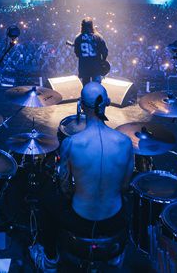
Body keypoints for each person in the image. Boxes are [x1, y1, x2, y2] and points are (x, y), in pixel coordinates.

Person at [30, 82, 134, 272]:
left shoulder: (71, 143)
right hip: (113, 219)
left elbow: (65, 188)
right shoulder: (125, 143)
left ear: (81, 106)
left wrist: (84, 192)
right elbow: (125, 186)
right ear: (107, 104)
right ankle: (116, 256)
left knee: (46, 199)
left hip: (80, 218)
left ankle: (50, 259)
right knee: (130, 200)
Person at [73, 18, 109, 85]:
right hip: (96, 68)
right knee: (97, 88)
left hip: (84, 68)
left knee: (86, 89)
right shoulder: (98, 37)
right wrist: (103, 61)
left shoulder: (78, 38)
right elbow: (105, 52)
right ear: (92, 26)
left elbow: (77, 53)